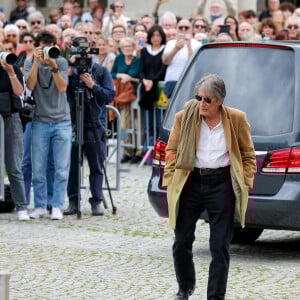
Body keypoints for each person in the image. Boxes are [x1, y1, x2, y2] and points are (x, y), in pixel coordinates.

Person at [163, 74, 257, 300]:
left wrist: (245, 180)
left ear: (220, 101)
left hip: (222, 183)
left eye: (207, 100)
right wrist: (170, 181)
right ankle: (185, 287)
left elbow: (247, 154)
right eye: (198, 98)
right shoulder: (184, 117)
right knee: (182, 240)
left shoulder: (236, 118)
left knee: (219, 245)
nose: (201, 104)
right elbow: (171, 151)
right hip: (190, 181)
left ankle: (215, 297)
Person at [24, 30, 72, 220]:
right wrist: (36, 61)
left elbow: (62, 88)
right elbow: (30, 85)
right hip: (40, 121)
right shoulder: (30, 62)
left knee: (61, 167)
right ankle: (40, 205)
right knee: (38, 167)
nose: (45, 51)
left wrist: (53, 66)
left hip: (62, 121)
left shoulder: (60, 61)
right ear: (36, 48)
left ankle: (57, 205)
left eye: (48, 47)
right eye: (42, 47)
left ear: (54, 46)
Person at [64, 45, 115, 216]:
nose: (82, 60)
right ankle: (73, 200)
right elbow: (64, 93)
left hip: (95, 124)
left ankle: (96, 202)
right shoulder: (71, 72)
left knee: (96, 165)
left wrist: (93, 86)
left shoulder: (100, 71)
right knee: (73, 166)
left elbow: (109, 95)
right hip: (74, 124)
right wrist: (69, 72)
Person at [0, 44, 30, 221]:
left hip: (11, 117)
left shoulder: (13, 69)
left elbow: (20, 92)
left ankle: (21, 206)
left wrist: (11, 71)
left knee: (14, 164)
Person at [162, 19, 200, 99]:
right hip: (172, 81)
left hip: (190, 81)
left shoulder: (197, 44)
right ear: (176, 29)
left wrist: (189, 46)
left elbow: (194, 64)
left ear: (192, 29)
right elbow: (165, 61)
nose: (183, 30)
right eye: (180, 27)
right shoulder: (171, 43)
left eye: (186, 28)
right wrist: (176, 48)